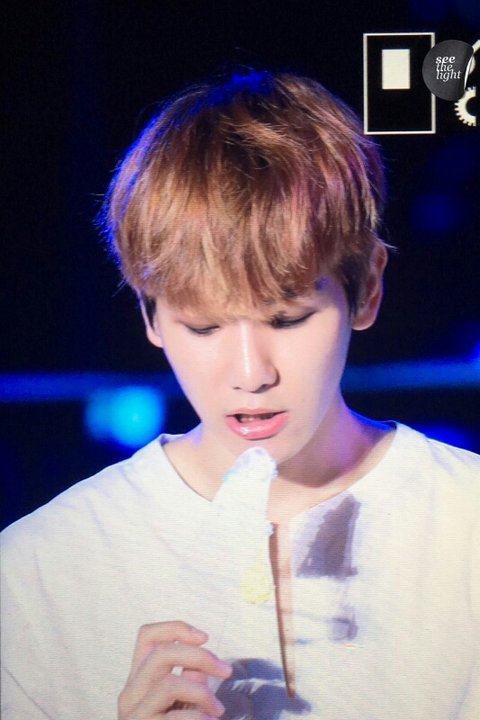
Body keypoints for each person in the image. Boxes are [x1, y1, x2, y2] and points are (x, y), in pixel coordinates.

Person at [1, 69, 479, 720]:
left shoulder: (465, 528)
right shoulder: (39, 574)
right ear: (148, 314)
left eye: (287, 319)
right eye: (203, 327)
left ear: (367, 287)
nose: (250, 373)